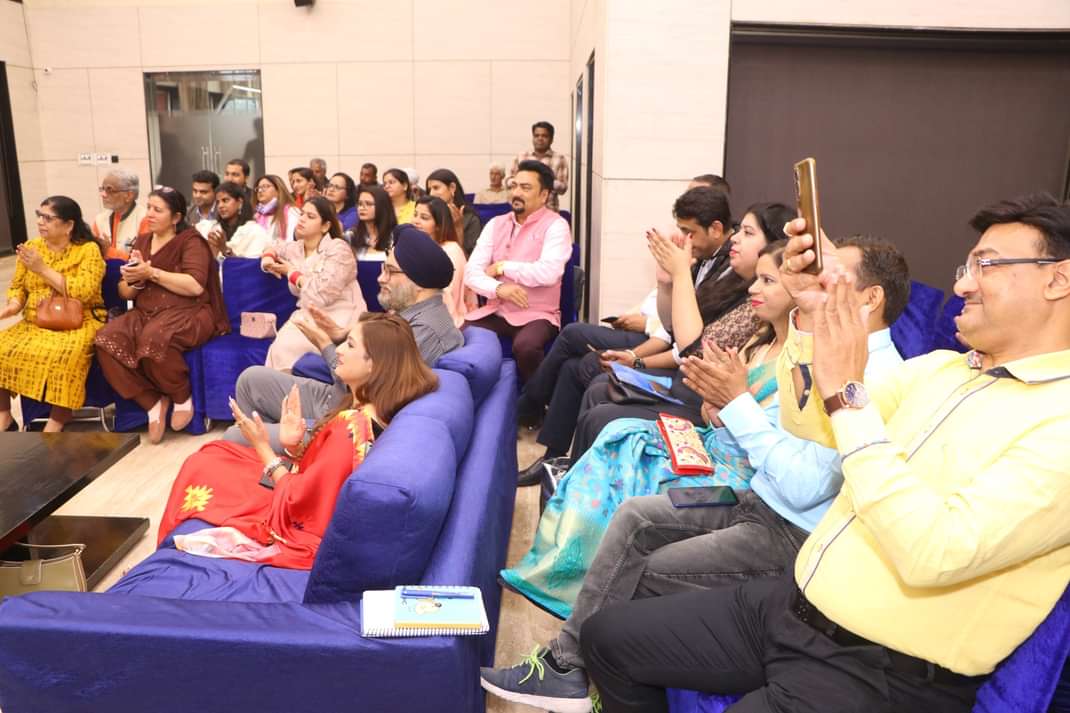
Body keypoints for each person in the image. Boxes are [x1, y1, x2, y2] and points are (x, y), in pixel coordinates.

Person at [577, 193, 1070, 713]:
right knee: (608, 638)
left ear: (1058, 279)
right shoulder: (945, 369)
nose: (963, 285)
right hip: (796, 604)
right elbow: (810, 422)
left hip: (883, 666)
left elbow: (934, 551)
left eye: (986, 265)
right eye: (965, 267)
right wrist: (812, 319)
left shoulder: (1058, 422)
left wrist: (847, 395)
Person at [480, 237, 910, 712]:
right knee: (635, 516)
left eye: (833, 277)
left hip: (793, 531)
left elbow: (805, 486)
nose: (817, 283)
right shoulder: (825, 351)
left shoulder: (878, 379)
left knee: (646, 568)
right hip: (757, 498)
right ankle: (566, 664)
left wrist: (736, 403)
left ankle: (595, 676)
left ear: (870, 298)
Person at [498, 243, 790, 619]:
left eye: (768, 280)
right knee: (618, 431)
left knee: (614, 429)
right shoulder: (761, 340)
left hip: (735, 472)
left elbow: (696, 355)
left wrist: (724, 404)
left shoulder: (794, 360)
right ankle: (566, 560)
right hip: (714, 440)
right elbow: (706, 387)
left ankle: (580, 575)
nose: (754, 288)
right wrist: (715, 405)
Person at [159, 312, 438, 569]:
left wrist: (262, 445)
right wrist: (294, 446)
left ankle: (164, 560)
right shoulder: (369, 412)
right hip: (297, 486)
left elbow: (301, 501)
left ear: (373, 365)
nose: (339, 350)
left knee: (202, 464)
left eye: (350, 345)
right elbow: (324, 474)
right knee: (215, 453)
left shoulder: (351, 427)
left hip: (294, 513)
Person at [544, 195, 787, 472]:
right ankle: (562, 464)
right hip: (697, 391)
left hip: (701, 401)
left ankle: (562, 458)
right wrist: (666, 284)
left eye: (747, 233)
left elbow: (695, 350)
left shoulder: (754, 302)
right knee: (594, 380)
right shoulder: (734, 281)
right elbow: (673, 329)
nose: (736, 239)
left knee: (597, 396)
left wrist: (680, 274)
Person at [224, 225, 462, 453]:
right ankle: (276, 460)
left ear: (417, 283)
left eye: (390, 271)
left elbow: (369, 386)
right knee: (250, 380)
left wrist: (325, 344)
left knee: (234, 437)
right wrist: (340, 335)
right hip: (339, 397)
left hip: (348, 420)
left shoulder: (424, 331)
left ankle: (283, 460)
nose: (381, 278)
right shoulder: (414, 313)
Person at [95, 187, 229, 444]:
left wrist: (151, 273)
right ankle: (152, 402)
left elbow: (194, 286)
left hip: (189, 311)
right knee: (105, 339)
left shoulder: (191, 241)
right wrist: (136, 278)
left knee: (154, 338)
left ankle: (181, 395)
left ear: (176, 217)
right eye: (149, 208)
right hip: (146, 311)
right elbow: (125, 292)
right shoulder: (143, 241)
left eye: (158, 210)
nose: (150, 214)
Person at [0, 196, 106, 432]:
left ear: (68, 225)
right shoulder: (32, 247)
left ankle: (58, 420)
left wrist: (42, 269)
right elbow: (18, 286)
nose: (41, 222)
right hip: (35, 322)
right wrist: (13, 306)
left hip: (79, 321)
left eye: (48, 218)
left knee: (64, 355)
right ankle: (4, 415)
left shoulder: (88, 250)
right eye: (39, 216)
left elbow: (84, 292)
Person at [464, 160, 572, 382]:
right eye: (514, 186)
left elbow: (548, 272)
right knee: (460, 333)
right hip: (497, 311)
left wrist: (503, 266)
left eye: (526, 188)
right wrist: (499, 288)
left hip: (538, 314)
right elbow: (471, 273)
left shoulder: (556, 226)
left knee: (526, 346)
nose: (516, 193)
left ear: (544, 195)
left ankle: (537, 400)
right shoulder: (495, 224)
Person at [262, 196, 365, 371]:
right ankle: (279, 386)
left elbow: (323, 294)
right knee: (280, 346)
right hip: (308, 314)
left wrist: (292, 274)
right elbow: (273, 245)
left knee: (286, 346)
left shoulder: (338, 248)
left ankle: (288, 385)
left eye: (310, 216)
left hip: (338, 316)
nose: (302, 219)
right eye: (302, 214)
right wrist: (267, 259)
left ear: (325, 226)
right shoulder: (296, 248)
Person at [411, 195, 471, 328]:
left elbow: (447, 295)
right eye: (415, 215)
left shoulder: (451, 250)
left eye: (424, 218)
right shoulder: (413, 247)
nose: (416, 221)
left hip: (442, 320)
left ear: (438, 225)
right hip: (413, 314)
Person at [196, 181, 270, 259]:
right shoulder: (211, 228)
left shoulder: (255, 231)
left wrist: (224, 249)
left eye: (225, 200)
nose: (220, 206)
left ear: (240, 202)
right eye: (218, 202)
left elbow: (249, 264)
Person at [508, 121, 569, 212]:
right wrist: (523, 183)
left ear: (551, 139)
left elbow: (563, 189)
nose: (540, 139)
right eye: (536, 136)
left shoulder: (560, 159)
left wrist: (546, 181)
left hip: (549, 211)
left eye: (544, 136)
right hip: (523, 212)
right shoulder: (521, 156)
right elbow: (508, 182)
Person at [92, 168, 149, 260]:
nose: (103, 194)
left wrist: (108, 251)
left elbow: (142, 259)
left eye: (109, 190)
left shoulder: (145, 218)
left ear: (129, 195)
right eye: (102, 189)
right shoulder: (100, 219)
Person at [426, 168, 483, 257]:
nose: (431, 194)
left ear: (452, 187)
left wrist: (458, 229)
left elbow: (472, 259)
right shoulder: (430, 216)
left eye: (436, 188)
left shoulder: (470, 219)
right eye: (429, 189)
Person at [351, 184, 398, 260]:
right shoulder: (351, 236)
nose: (362, 208)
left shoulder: (396, 236)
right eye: (360, 204)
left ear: (382, 206)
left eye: (368, 204)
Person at [253, 174, 300, 242]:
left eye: (266, 186)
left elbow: (291, 239)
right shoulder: (257, 215)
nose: (260, 191)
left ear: (278, 190)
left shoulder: (291, 211)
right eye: (258, 188)